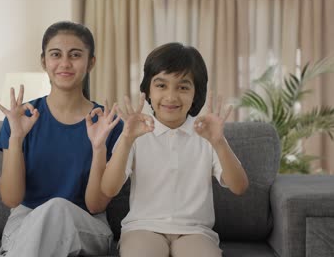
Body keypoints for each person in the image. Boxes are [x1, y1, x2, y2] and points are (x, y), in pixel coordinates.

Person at [100, 42, 249, 257]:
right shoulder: (134, 133)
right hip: (143, 227)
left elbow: (239, 187)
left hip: (194, 231)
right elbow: (108, 189)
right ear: (148, 90)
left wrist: (219, 142)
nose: (171, 97)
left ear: (196, 93)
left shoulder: (207, 134)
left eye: (183, 87)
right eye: (161, 85)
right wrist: (126, 139)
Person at [0, 21, 123, 257]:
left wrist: (99, 147)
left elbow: (96, 205)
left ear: (90, 62)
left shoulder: (108, 123)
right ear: (44, 61)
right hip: (25, 223)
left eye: (75, 55)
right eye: (56, 55)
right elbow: (11, 199)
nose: (65, 63)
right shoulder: (20, 118)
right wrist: (16, 138)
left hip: (87, 225)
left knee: (57, 208)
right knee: (48, 217)